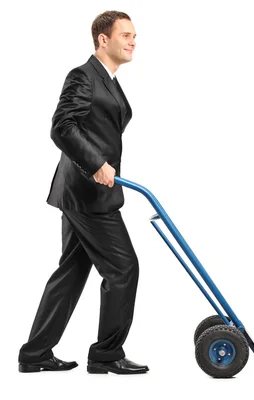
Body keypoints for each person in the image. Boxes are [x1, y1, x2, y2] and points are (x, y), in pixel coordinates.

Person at [18, 10, 148, 375]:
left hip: (84, 194)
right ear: (102, 40)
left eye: (134, 35)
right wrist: (96, 164)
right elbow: (62, 127)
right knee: (124, 269)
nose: (133, 40)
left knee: (72, 272)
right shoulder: (84, 76)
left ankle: (35, 354)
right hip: (89, 194)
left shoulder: (108, 80)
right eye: (125, 35)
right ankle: (106, 355)